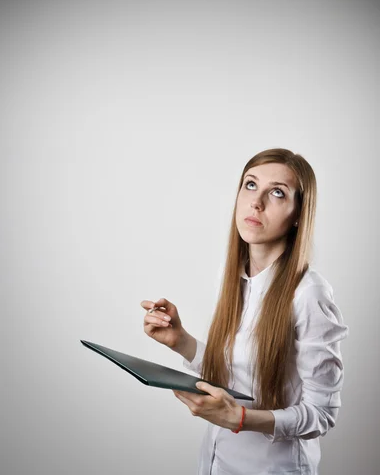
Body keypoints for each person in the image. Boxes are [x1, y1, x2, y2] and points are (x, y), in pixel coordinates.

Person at [141, 148, 349, 475]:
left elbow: (321, 414)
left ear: (298, 213)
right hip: (216, 463)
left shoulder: (309, 293)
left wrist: (240, 419)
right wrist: (180, 341)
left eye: (277, 192)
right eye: (250, 185)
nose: (256, 202)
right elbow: (236, 375)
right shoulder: (234, 277)